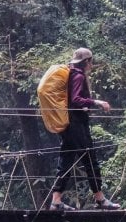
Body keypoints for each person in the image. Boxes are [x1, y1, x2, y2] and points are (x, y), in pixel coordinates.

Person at [50, 47, 120, 210]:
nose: (91, 64)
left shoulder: (70, 74)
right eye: (91, 61)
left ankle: (56, 200)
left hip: (68, 124)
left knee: (66, 161)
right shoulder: (78, 76)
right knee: (90, 160)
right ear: (87, 62)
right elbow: (75, 100)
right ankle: (100, 199)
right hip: (76, 125)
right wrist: (96, 102)